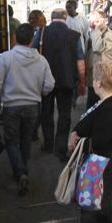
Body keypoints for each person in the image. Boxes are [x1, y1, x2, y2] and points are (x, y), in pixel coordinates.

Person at [66, 61, 112, 223]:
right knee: (102, 204)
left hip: (103, 164)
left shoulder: (110, 108)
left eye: (94, 79)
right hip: (106, 162)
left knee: (90, 206)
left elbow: (101, 139)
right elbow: (87, 122)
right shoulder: (109, 102)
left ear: (99, 83)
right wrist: (77, 131)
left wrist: (80, 138)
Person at [0, 23, 54, 195]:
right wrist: (39, 91)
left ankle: (21, 172)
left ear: (15, 38)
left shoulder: (7, 58)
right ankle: (22, 170)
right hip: (32, 106)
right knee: (25, 140)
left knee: (11, 141)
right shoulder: (41, 60)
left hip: (11, 106)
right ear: (32, 40)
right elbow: (50, 85)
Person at [40, 8, 86, 160]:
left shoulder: (42, 33)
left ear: (51, 18)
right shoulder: (74, 35)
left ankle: (48, 144)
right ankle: (60, 150)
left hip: (45, 81)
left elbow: (33, 53)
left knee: (46, 112)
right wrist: (82, 81)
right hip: (67, 81)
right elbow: (80, 62)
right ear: (65, 19)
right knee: (64, 115)